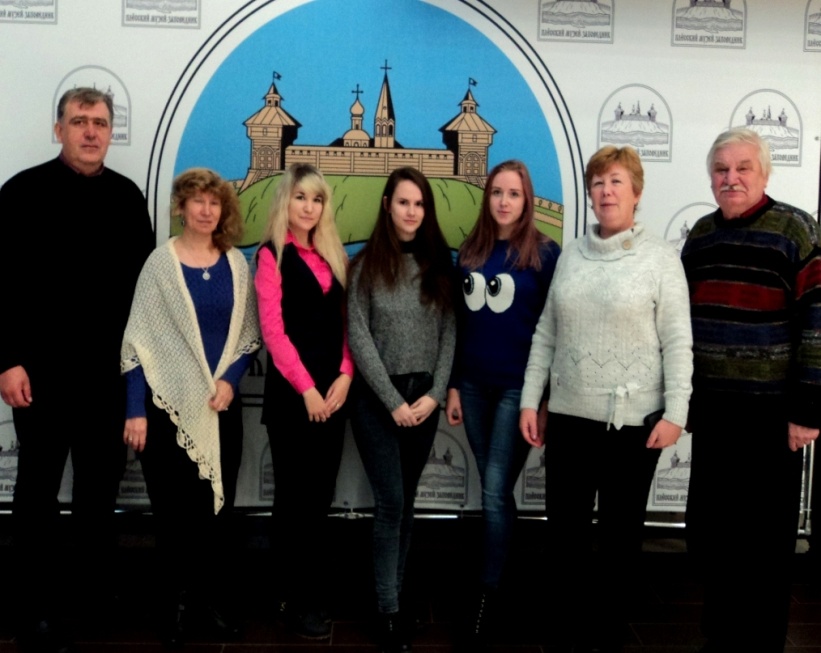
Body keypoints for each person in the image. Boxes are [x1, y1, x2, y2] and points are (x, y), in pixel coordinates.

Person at [519, 146, 693, 652]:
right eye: (597, 183)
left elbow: (678, 340)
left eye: (616, 181)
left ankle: (610, 630)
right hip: (569, 417)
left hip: (632, 424)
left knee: (620, 535)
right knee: (565, 532)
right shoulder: (571, 254)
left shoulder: (661, 258)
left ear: (636, 192)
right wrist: (531, 400)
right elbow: (546, 333)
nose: (606, 191)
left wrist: (677, 411)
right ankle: (566, 628)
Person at [0, 87, 154, 652]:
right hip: (38, 377)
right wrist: (7, 359)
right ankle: (32, 610)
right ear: (58, 128)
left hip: (106, 379)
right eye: (80, 121)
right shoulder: (21, 192)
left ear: (111, 133)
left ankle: (92, 600)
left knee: (96, 495)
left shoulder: (127, 197)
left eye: (101, 123)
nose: (91, 131)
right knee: (36, 496)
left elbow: (144, 295)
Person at [681, 128, 821, 653]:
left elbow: (817, 321)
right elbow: (679, 325)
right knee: (715, 533)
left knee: (766, 540)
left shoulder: (795, 229)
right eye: (721, 169)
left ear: (764, 173)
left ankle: (762, 643)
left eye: (743, 168)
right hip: (714, 411)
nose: (731, 178)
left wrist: (809, 408)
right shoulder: (700, 236)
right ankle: (720, 636)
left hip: (772, 415)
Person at [121, 168, 260, 646]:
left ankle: (209, 605)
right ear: (180, 207)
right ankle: (174, 609)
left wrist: (230, 381)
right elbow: (137, 345)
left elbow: (249, 337)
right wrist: (135, 410)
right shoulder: (160, 265)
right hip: (166, 412)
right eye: (197, 201)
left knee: (215, 516)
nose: (206, 210)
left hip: (220, 410)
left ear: (224, 210)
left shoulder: (236, 264)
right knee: (172, 516)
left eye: (214, 202)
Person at [445, 160, 560, 645]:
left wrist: (544, 400)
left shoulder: (546, 254)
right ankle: (502, 577)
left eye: (514, 193)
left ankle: (487, 594)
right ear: (487, 197)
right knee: (496, 490)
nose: (505, 201)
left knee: (494, 491)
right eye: (497, 192)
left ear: (526, 199)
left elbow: (555, 330)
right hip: (473, 386)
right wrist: (453, 385)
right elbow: (457, 323)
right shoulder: (471, 250)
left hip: (520, 391)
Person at [348, 167, 456, 653]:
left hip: (424, 399)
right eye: (403, 202)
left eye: (419, 204)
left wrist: (435, 394)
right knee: (391, 502)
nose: (411, 212)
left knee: (407, 503)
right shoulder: (365, 266)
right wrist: (392, 402)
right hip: (377, 401)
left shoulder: (438, 265)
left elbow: (450, 332)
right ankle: (386, 609)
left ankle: (394, 592)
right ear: (387, 204)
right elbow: (358, 336)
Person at [254, 163, 352, 640]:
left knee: (320, 499)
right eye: (300, 197)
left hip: (334, 396)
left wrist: (346, 375)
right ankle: (290, 597)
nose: (309, 207)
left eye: (317, 199)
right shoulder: (270, 255)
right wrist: (307, 389)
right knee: (293, 501)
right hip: (294, 399)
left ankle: (310, 590)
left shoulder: (335, 255)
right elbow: (273, 333)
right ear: (285, 202)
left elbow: (348, 324)